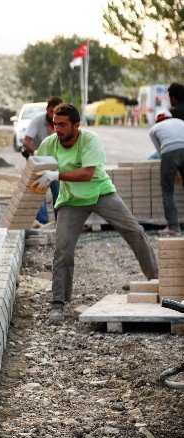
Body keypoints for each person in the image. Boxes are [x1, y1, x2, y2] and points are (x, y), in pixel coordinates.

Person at [32, 104, 159, 323]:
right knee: (63, 249)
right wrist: (30, 195)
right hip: (72, 201)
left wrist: (55, 175)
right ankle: (58, 303)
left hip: (100, 193)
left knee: (135, 231)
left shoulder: (90, 140)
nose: (57, 129)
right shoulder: (49, 144)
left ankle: (157, 281)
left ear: (76, 126)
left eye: (63, 125)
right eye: (55, 124)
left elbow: (87, 174)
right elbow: (35, 171)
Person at [22, 96, 63, 225]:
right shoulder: (37, 121)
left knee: (58, 191)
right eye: (52, 112)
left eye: (57, 113)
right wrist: (36, 153)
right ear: (47, 109)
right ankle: (43, 223)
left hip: (54, 163)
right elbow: (26, 142)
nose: (53, 116)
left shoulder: (62, 123)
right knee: (39, 191)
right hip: (39, 161)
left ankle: (59, 221)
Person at [149, 109, 184, 236]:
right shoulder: (180, 122)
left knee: (168, 190)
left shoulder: (154, 129)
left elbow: (160, 151)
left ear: (157, 120)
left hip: (169, 153)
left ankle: (174, 227)